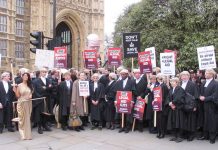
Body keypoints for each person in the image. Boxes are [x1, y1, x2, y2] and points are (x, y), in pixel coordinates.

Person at [198, 69, 218, 144]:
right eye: (205, 73)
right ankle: (205, 135)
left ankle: (212, 137)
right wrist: (199, 96)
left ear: (211, 74)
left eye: (207, 73)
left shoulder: (215, 84)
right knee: (204, 120)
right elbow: (200, 91)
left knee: (212, 121)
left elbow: (215, 96)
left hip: (211, 105)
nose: (205, 74)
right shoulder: (204, 83)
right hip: (203, 104)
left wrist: (205, 98)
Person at [114, 69, 137, 133]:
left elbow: (133, 92)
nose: (123, 75)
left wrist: (132, 101)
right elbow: (117, 92)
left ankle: (127, 127)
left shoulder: (132, 81)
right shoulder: (118, 82)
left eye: (124, 74)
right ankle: (122, 127)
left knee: (128, 115)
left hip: (128, 100)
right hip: (121, 100)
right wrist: (116, 100)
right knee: (121, 113)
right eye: (121, 74)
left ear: (127, 74)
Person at [32, 67, 52, 134]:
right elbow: (35, 91)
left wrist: (46, 88)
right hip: (39, 100)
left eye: (45, 72)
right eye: (43, 72)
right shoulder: (35, 81)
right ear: (40, 73)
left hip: (47, 99)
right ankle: (39, 127)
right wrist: (45, 89)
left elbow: (50, 88)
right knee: (39, 114)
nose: (44, 73)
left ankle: (45, 125)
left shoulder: (48, 80)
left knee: (46, 113)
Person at [13, 72, 33, 140]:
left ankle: (28, 135)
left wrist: (31, 96)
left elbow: (31, 93)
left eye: (27, 76)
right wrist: (15, 91)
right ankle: (23, 135)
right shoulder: (19, 85)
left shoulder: (30, 84)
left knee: (27, 119)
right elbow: (18, 96)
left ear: (28, 77)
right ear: (22, 77)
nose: (26, 77)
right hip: (21, 103)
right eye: (24, 76)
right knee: (22, 119)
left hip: (28, 103)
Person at [180, 71, 199, 141]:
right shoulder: (180, 84)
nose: (184, 77)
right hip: (182, 105)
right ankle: (185, 133)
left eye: (185, 75)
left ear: (188, 76)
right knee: (184, 120)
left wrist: (195, 106)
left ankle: (191, 135)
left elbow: (196, 95)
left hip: (190, 105)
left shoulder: (192, 84)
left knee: (191, 120)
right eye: (182, 76)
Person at [167, 77, 186, 143]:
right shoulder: (171, 89)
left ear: (177, 82)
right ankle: (174, 135)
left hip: (178, 108)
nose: (171, 83)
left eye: (173, 81)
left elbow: (180, 98)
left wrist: (173, 103)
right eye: (171, 81)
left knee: (179, 122)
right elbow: (168, 97)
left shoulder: (180, 89)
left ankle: (180, 136)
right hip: (172, 108)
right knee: (173, 122)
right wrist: (169, 103)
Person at [155, 73, 169, 139]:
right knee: (158, 119)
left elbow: (164, 96)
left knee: (162, 120)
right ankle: (159, 131)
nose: (157, 79)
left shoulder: (163, 86)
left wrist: (160, 101)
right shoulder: (158, 85)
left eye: (158, 78)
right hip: (158, 104)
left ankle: (162, 133)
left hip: (162, 105)